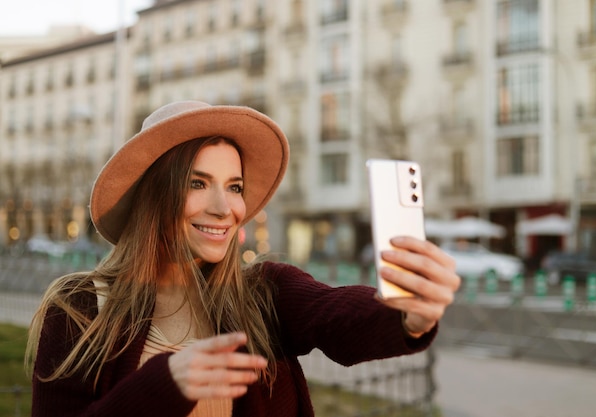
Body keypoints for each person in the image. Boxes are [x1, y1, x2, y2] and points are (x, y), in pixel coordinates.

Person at [26, 101, 460, 417]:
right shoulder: (80, 308)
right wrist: (164, 385)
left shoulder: (263, 290)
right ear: (154, 197)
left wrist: (405, 315)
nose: (225, 207)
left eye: (234, 187)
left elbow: (332, 313)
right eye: (198, 183)